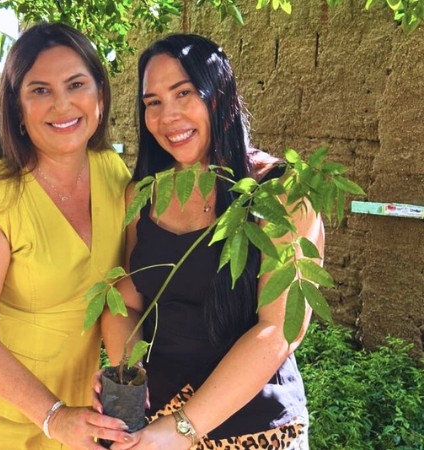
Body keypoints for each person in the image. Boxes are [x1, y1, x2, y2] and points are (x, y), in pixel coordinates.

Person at [99, 34, 324, 449]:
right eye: (153, 102)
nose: (168, 116)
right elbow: (127, 301)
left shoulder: (281, 192)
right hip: (156, 419)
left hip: (255, 428)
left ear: (219, 95)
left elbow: (280, 328)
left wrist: (182, 428)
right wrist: (129, 374)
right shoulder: (144, 192)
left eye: (183, 93)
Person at [0, 22, 135, 450]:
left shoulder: (113, 172)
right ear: (17, 108)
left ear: (100, 94)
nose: (62, 104)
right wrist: (53, 416)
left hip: (73, 395)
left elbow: (118, 293)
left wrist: (129, 373)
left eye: (76, 84)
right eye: (40, 90)